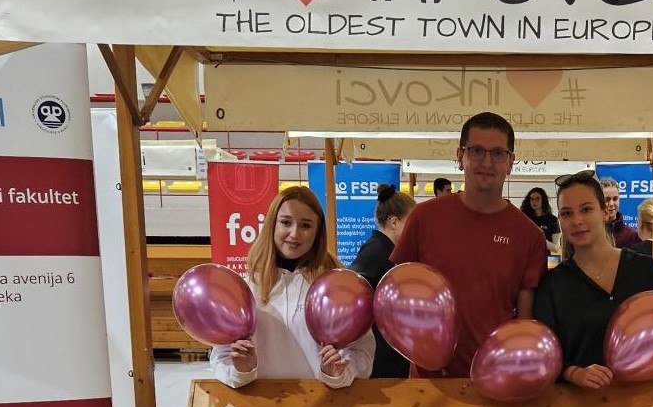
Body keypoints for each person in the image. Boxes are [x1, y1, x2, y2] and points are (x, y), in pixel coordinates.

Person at [390, 111, 548, 376]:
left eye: (498, 153)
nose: (487, 161)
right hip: (427, 381)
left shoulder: (529, 236)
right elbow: (398, 296)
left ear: (511, 162)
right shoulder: (424, 217)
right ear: (460, 156)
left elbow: (524, 325)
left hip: (495, 379)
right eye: (476, 151)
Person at [535, 172, 653, 389]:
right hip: (578, 405)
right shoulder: (552, 285)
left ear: (604, 212)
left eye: (586, 209)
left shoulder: (646, 270)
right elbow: (546, 356)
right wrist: (573, 373)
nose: (577, 220)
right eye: (566, 213)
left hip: (641, 401)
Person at [210, 186, 374, 389]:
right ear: (272, 224)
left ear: (318, 232)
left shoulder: (337, 286)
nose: (294, 234)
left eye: (305, 225)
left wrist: (339, 374)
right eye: (286, 222)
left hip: (324, 404)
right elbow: (221, 355)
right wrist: (241, 371)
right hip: (259, 404)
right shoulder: (247, 287)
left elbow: (362, 352)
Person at [349, 183, 416, 378]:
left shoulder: (388, 251)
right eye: (412, 224)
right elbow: (353, 292)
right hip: (380, 355)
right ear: (394, 222)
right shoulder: (376, 251)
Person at [601, 178, 642, 249]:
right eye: (607, 200)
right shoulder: (592, 234)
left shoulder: (632, 236)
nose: (611, 204)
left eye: (615, 199)